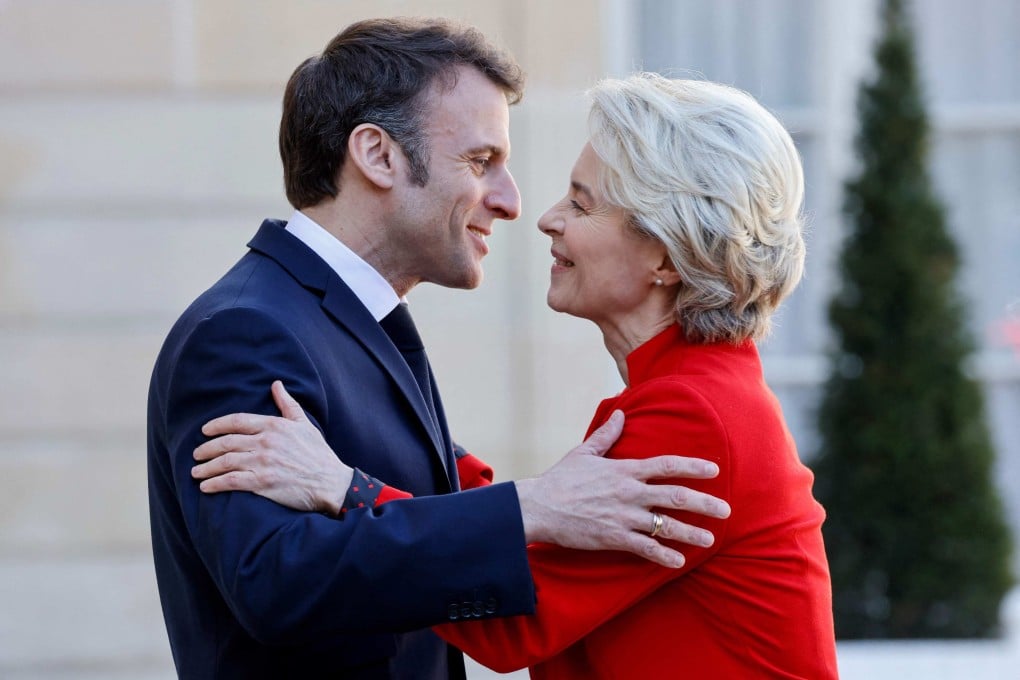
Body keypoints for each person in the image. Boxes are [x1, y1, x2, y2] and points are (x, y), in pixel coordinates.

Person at [195, 74, 839, 678]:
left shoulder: (696, 416)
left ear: (665, 256)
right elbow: (533, 542)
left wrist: (347, 487)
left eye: (582, 205)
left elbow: (509, 619)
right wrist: (380, 419)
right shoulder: (698, 394)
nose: (546, 217)